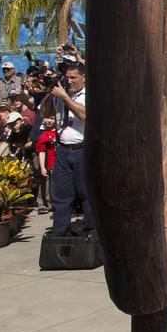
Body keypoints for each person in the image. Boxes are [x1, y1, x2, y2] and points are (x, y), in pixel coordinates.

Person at [49, 63, 96, 236]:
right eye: (67, 78)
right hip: (63, 149)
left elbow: (85, 116)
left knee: (86, 193)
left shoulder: (88, 95)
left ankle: (91, 230)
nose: (69, 81)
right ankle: (60, 231)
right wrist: (50, 94)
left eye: (73, 78)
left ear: (84, 77)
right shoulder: (62, 94)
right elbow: (46, 113)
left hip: (82, 149)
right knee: (61, 194)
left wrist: (65, 98)